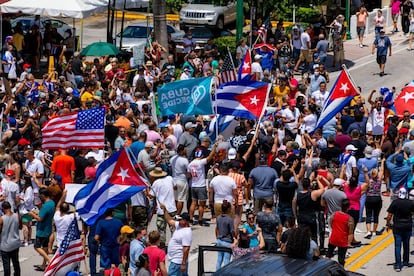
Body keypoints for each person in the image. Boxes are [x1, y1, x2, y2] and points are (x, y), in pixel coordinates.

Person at [386, 187, 414, 272]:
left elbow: (389, 215)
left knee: (398, 246)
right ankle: (406, 261)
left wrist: (388, 224)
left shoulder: (395, 202)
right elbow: (413, 213)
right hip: (407, 226)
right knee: (406, 244)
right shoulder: (410, 203)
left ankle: (398, 265)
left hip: (397, 226)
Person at [28, 188, 55, 272]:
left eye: (40, 195)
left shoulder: (46, 206)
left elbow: (40, 219)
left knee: (37, 247)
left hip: (42, 230)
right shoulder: (52, 203)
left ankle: (49, 261)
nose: (39, 197)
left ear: (43, 196)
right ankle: (44, 265)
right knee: (45, 247)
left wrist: (32, 214)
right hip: (48, 228)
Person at [161, 205, 192, 276]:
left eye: (181, 219)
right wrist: (165, 210)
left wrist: (183, 263)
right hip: (176, 261)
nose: (179, 221)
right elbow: (169, 220)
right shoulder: (180, 225)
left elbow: (186, 249)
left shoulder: (187, 232)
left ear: (186, 221)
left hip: (178, 262)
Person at [326, 199, 354, 267]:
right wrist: (349, 243)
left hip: (333, 238)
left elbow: (331, 223)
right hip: (342, 240)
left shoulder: (334, 214)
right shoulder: (350, 219)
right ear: (348, 207)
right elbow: (350, 233)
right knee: (341, 260)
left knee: (328, 255)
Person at [0, 201, 21, 276]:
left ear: (3, 209)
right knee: (16, 262)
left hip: (5, 246)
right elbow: (20, 226)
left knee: (6, 265)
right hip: (15, 243)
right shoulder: (17, 216)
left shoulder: (2, 219)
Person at [215, 200, 236, 270]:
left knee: (219, 259)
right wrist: (236, 238)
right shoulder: (229, 219)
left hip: (220, 240)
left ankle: (217, 273)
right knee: (226, 260)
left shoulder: (218, 218)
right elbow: (232, 231)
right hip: (227, 241)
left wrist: (217, 238)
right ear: (228, 209)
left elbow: (217, 229)